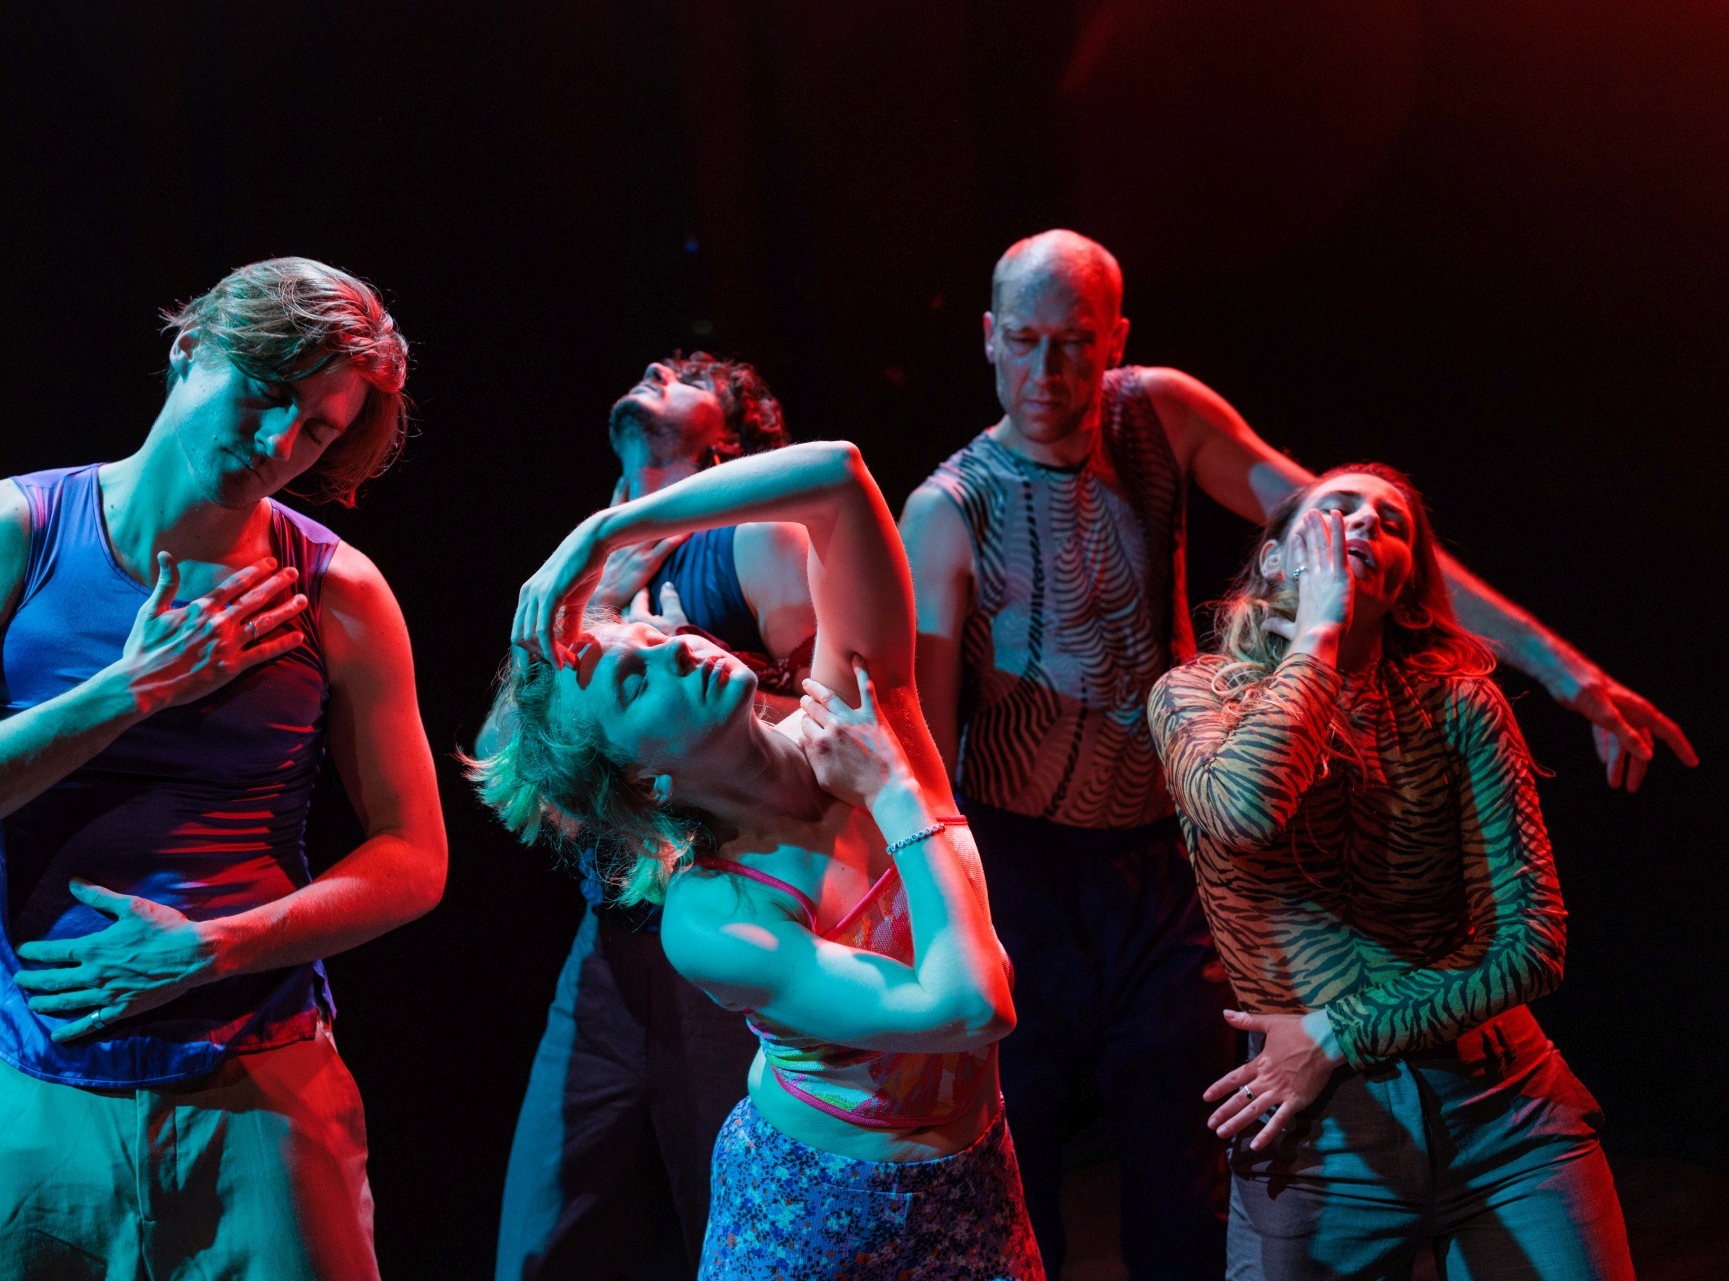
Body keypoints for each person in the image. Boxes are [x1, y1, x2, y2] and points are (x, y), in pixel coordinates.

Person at [900, 229, 1692, 1278]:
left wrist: (1565, 672)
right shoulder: (951, 507)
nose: (1050, 374)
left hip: (1166, 862)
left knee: (1185, 1160)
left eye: (1077, 345)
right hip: (1028, 859)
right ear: (991, 341)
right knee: (1022, 1154)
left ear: (1116, 341)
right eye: (1029, 343)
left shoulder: (1161, 415)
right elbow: (922, 741)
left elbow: (1348, 527)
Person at [0, 257, 448, 1280]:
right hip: (35, 1097)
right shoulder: (8, 531)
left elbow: (414, 857)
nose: (278, 446)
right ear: (188, 350)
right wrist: (128, 692)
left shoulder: (338, 591)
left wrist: (216, 947)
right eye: (264, 397)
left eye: (317, 430)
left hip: (263, 1091)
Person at [472, 441, 1041, 1280]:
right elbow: (971, 1006)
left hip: (976, 1175)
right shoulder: (713, 912)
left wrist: (611, 528)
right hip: (815, 1214)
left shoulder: (853, 705)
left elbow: (842, 477)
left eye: (652, 633)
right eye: (635, 682)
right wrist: (898, 797)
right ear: (640, 778)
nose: (675, 649)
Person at [1147, 463, 1634, 1280]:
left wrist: (1336, 1033)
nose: (1366, 524)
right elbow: (1243, 808)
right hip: (1320, 1133)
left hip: (1502, 1108)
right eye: (1338, 509)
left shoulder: (1460, 702)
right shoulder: (1192, 695)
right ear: (1274, 562)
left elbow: (1532, 943)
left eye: (1393, 522)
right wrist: (1318, 635)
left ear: (1408, 585)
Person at [490, 354, 816, 1281]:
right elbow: (521, 760)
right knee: (542, 1233)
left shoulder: (754, 537)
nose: (656, 367)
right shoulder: (581, 571)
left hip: (731, 918)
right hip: (610, 941)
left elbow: (841, 724)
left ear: (731, 442)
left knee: (741, 1223)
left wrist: (698, 715)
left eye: (689, 374)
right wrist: (594, 603)